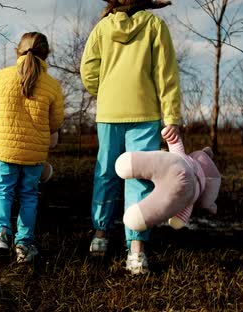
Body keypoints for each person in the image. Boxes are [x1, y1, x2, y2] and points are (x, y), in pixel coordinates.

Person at [80, 0, 181, 274]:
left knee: (106, 174)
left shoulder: (102, 28)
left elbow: (88, 70)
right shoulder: (155, 25)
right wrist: (171, 116)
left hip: (109, 113)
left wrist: (105, 93)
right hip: (145, 112)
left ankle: (100, 237)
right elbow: (166, 74)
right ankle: (137, 251)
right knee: (140, 179)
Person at [0, 32, 64, 263]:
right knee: (28, 195)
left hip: (5, 149)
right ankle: (24, 246)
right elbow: (56, 121)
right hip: (34, 152)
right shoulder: (52, 85)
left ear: (18, 51)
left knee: (3, 191)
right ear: (45, 54)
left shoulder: (4, 76)